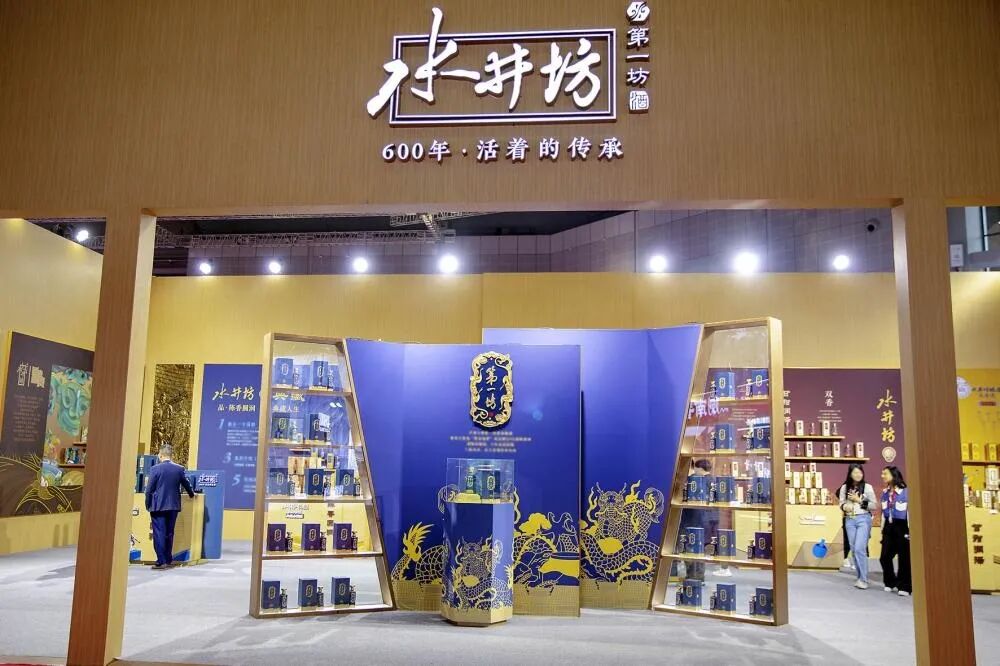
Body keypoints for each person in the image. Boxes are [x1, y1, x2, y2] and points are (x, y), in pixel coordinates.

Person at [144, 445, 195, 570]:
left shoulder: (155, 469)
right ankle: (168, 559)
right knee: (169, 532)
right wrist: (191, 494)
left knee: (159, 533)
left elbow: (149, 490)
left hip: (158, 506)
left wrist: (147, 504)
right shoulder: (179, 469)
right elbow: (186, 484)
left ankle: (161, 561)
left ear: (160, 455)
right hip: (173, 506)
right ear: (171, 455)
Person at [838, 463, 877, 589]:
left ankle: (864, 580)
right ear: (850, 474)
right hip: (850, 520)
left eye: (860, 472)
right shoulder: (844, 487)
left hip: (863, 519)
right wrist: (845, 506)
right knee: (854, 549)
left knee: (860, 548)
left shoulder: (867, 487)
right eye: (855, 472)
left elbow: (874, 505)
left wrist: (859, 500)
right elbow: (841, 503)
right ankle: (860, 576)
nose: (858, 475)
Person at [879, 465, 911, 597]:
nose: (882, 476)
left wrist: (911, 530)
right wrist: (882, 531)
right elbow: (883, 514)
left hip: (902, 526)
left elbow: (910, 512)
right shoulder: (885, 493)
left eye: (885, 473)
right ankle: (890, 582)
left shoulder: (906, 492)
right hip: (889, 526)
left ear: (894, 475)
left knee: (904, 558)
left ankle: (905, 586)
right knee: (884, 557)